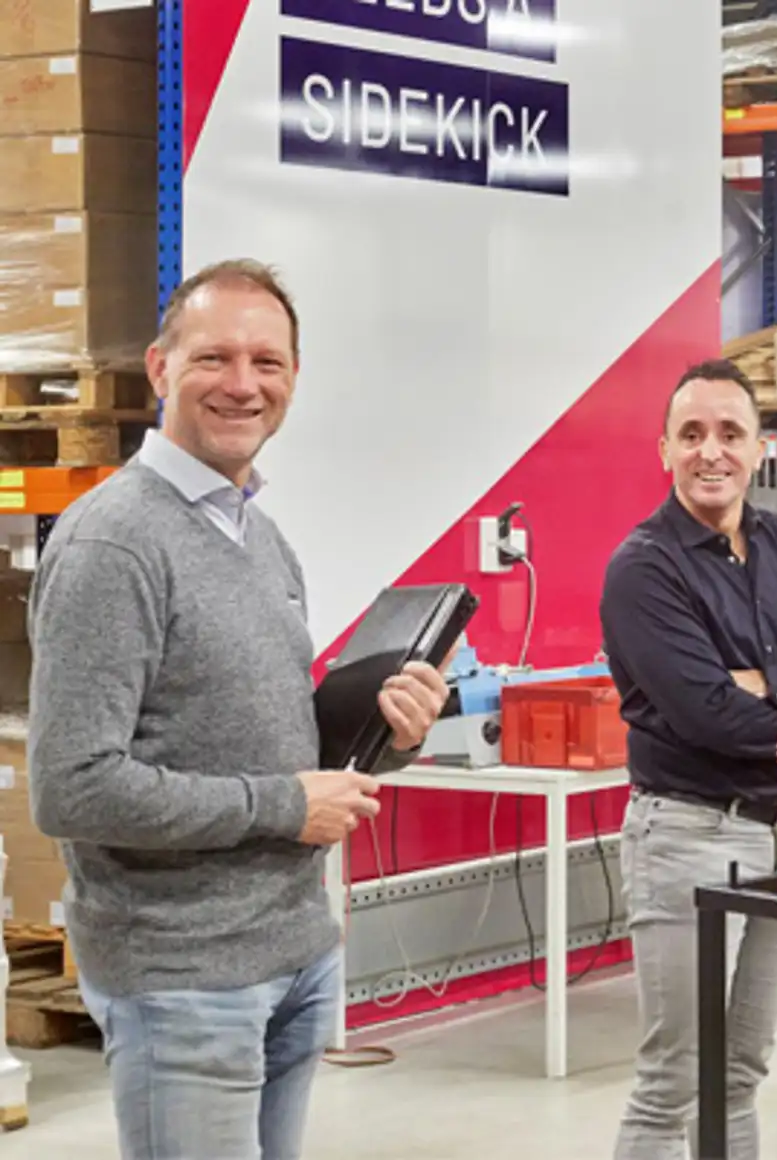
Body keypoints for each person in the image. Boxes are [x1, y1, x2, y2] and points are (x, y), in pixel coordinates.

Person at [27, 260, 450, 1160]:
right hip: (183, 979)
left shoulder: (261, 535)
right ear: (159, 367)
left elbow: (265, 737)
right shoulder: (114, 542)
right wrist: (286, 805)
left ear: (294, 378)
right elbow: (71, 786)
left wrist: (385, 737)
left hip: (292, 951)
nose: (243, 384)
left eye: (269, 362)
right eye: (215, 357)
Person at [599, 359, 777, 1160]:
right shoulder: (644, 568)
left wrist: (773, 682)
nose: (711, 452)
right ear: (665, 450)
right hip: (689, 837)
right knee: (676, 1080)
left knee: (742, 1071)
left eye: (730, 434)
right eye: (692, 435)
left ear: (763, 449)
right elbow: (710, 716)